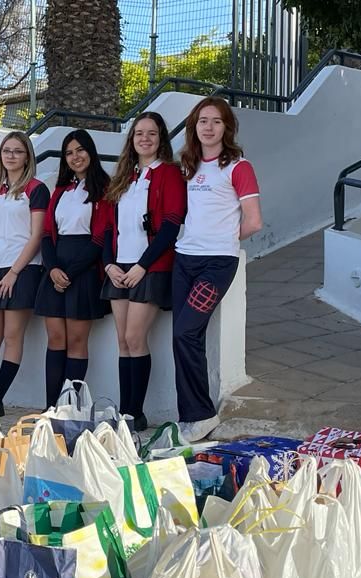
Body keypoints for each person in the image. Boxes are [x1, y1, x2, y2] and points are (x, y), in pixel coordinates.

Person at [174, 97, 262, 441]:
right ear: (194, 127)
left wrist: (223, 238)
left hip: (216, 263)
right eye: (202, 121)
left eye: (216, 121)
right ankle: (191, 416)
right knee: (179, 337)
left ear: (227, 127)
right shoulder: (189, 166)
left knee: (186, 332)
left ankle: (202, 414)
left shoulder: (239, 167)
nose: (208, 127)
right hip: (184, 259)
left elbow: (253, 221)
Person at [102, 112, 187, 431]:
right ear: (132, 139)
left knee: (136, 337)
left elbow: (170, 225)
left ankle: (136, 413)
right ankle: (126, 413)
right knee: (122, 341)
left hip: (150, 267)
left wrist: (142, 266)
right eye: (139, 133)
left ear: (161, 139)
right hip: (119, 267)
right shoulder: (124, 177)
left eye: (152, 133)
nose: (145, 138)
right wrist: (109, 264)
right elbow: (109, 227)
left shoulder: (168, 173)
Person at [35, 129, 112, 409]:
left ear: (90, 152)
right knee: (55, 339)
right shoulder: (60, 190)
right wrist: (53, 268)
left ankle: (70, 408)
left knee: (77, 341)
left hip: (85, 270)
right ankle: (50, 407)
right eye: (69, 152)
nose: (75, 156)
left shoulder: (104, 188)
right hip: (56, 268)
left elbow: (100, 237)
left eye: (80, 150)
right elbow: (46, 233)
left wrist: (72, 273)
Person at [0, 131, 48, 415]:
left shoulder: (36, 188)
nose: (11, 156)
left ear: (27, 155)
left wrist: (14, 273)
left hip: (22, 270)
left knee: (13, 337)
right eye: (7, 151)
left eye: (18, 151)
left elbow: (36, 234)